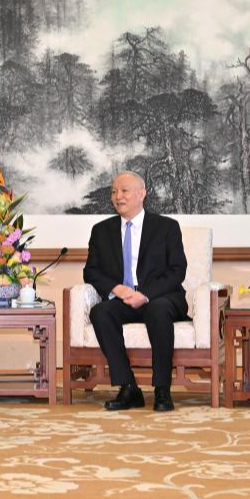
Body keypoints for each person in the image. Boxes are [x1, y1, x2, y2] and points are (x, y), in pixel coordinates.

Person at [83, 171, 189, 412]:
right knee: (101, 312)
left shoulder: (167, 227)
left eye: (124, 191)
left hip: (161, 297)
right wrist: (117, 289)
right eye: (114, 191)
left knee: (158, 310)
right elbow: (91, 272)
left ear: (142, 194)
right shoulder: (101, 231)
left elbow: (177, 271)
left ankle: (162, 389)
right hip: (124, 298)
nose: (117, 196)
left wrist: (146, 294)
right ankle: (128, 387)